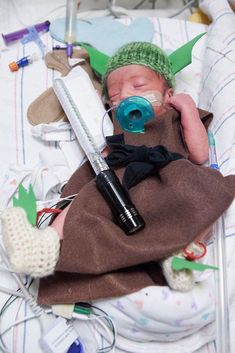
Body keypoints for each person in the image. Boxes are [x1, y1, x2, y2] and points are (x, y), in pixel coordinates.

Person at [1, 42, 235, 304]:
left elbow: (199, 154)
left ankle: (181, 253)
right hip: (122, 179)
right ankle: (44, 245)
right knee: (86, 204)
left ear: (168, 94)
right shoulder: (114, 123)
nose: (124, 96)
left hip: (169, 174)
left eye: (139, 86)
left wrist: (188, 109)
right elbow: (101, 154)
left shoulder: (174, 115)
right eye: (114, 95)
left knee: (203, 192)